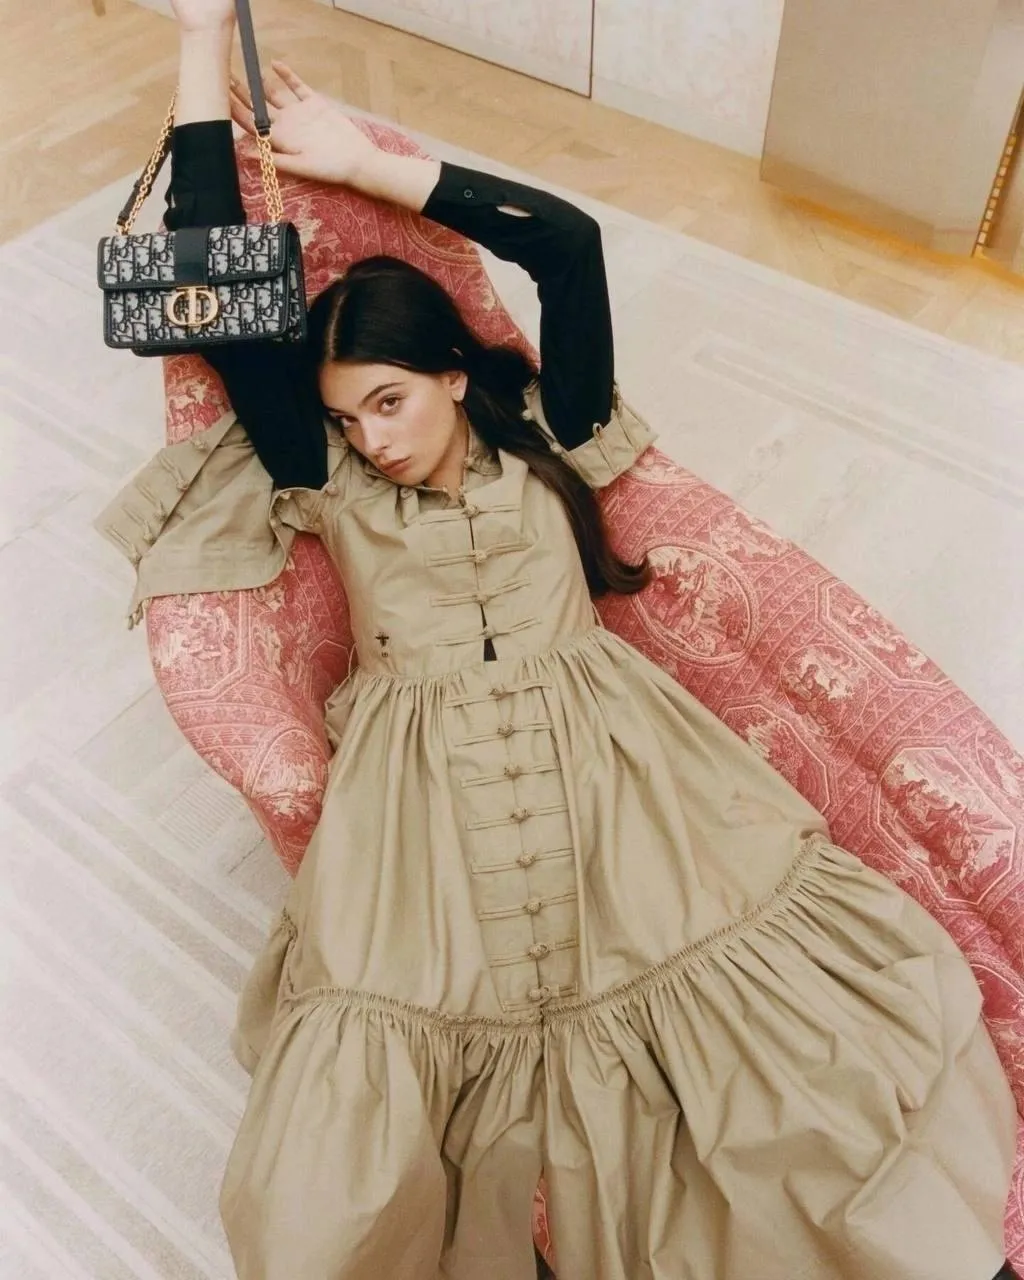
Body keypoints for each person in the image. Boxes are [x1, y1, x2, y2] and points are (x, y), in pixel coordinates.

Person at [95, 3, 1021, 1278]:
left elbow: (568, 248)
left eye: (389, 399)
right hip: (416, 794)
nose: (372, 436)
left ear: (455, 376)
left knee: (777, 1084)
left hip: (613, 760)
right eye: (345, 415)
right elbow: (208, 274)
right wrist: (201, 38)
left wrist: (379, 172)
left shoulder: (552, 423)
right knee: (337, 1176)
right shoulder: (327, 475)